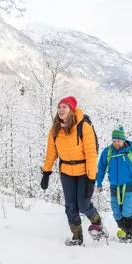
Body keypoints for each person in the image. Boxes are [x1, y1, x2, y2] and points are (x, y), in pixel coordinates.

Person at [41, 96, 105, 246]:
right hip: (66, 172)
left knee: (83, 204)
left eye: (65, 107)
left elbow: (91, 154)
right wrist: (46, 173)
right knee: (70, 205)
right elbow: (51, 153)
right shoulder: (55, 130)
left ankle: (96, 219)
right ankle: (77, 236)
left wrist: (91, 179)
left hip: (83, 172)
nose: (61, 110)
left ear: (71, 110)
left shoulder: (83, 127)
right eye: (59, 107)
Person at [96, 126, 132, 243]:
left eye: (118, 140)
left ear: (123, 140)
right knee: (117, 213)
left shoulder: (131, 151)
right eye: (114, 141)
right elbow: (101, 168)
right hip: (114, 186)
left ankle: (131, 235)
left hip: (129, 185)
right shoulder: (108, 152)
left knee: (127, 211)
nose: (116, 143)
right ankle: (124, 231)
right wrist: (99, 183)